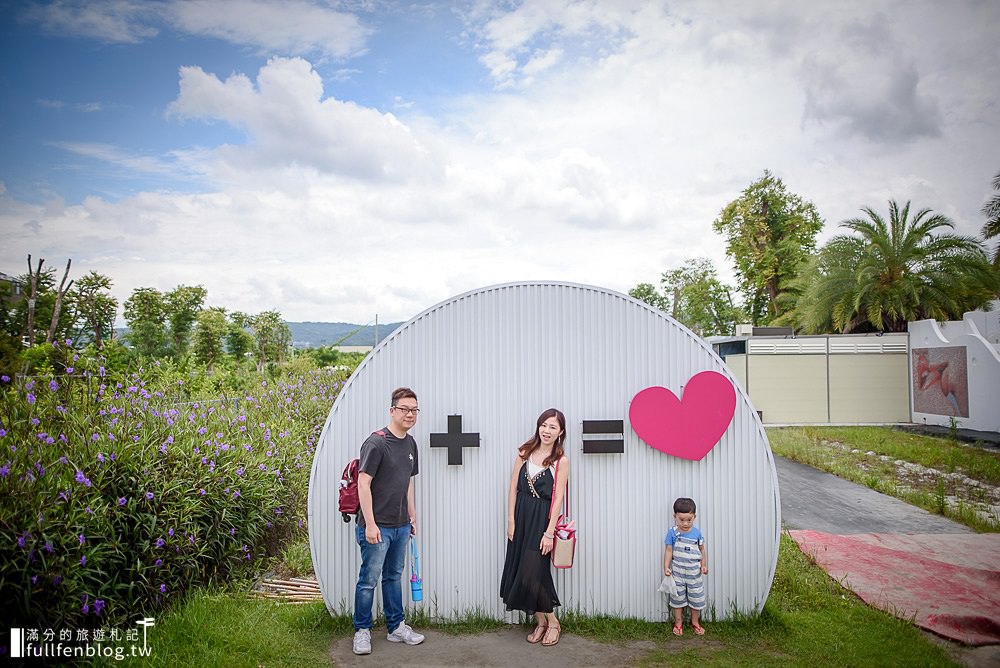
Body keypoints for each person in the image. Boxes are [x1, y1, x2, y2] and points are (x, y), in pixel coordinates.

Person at [352, 387, 425, 656]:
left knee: (393, 577)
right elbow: (363, 483)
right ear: (392, 410)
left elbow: (407, 482)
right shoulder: (376, 442)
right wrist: (370, 524)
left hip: (401, 524)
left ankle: (396, 627)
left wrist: (412, 515)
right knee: (368, 579)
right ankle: (362, 631)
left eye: (414, 409)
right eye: (405, 409)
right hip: (377, 525)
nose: (410, 414)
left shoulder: (411, 443)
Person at [499, 408, 570, 647]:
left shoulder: (561, 461)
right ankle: (540, 621)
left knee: (534, 572)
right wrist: (511, 520)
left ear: (560, 432)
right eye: (544, 425)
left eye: (553, 427)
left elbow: (558, 498)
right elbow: (513, 489)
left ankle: (553, 621)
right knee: (520, 569)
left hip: (541, 520)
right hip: (521, 516)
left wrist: (549, 533)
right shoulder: (524, 452)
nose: (547, 430)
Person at [663, 497, 708, 636]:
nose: (685, 523)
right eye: (681, 519)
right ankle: (678, 623)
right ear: (674, 516)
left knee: (696, 598)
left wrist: (704, 565)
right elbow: (669, 550)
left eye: (689, 519)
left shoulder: (697, 533)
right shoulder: (672, 533)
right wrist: (666, 567)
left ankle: (695, 622)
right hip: (678, 572)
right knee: (678, 598)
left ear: (694, 516)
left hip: (694, 573)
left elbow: (702, 550)